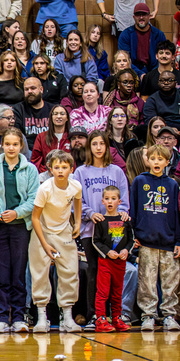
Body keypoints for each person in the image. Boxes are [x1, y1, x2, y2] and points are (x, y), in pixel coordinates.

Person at [0, 129, 38, 333]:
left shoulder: (30, 169)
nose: (11, 148)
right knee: (2, 274)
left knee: (19, 274)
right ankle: (2, 318)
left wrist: (18, 213)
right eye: (7, 143)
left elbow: (33, 200)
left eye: (15, 144)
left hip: (20, 227)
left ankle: (19, 317)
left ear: (21, 146)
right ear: (1, 144)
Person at [73, 130, 130, 331]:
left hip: (113, 233)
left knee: (113, 276)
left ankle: (114, 316)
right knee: (93, 272)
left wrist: (120, 215)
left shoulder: (117, 172)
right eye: (94, 144)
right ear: (89, 147)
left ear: (107, 147)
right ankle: (94, 316)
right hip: (90, 231)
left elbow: (124, 202)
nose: (98, 147)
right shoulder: (81, 172)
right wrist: (89, 213)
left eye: (102, 144)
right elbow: (76, 202)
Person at [130, 144, 180, 332]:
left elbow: (177, 214)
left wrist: (178, 241)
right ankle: (148, 316)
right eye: (153, 158)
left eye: (161, 159)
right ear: (148, 160)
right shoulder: (139, 181)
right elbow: (133, 211)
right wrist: (134, 236)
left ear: (167, 162)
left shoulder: (172, 184)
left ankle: (169, 315)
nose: (156, 162)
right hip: (146, 242)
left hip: (168, 242)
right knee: (147, 281)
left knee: (170, 281)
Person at [28, 148, 82, 332]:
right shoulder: (44, 189)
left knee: (70, 271)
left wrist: (78, 222)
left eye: (64, 167)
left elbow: (77, 200)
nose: (60, 170)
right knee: (40, 273)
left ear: (71, 169)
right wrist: (44, 244)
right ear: (50, 169)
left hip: (64, 232)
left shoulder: (75, 186)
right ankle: (42, 317)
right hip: (42, 231)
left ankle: (67, 316)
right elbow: (35, 217)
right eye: (56, 167)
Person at [91, 185, 134, 332]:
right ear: (102, 201)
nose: (110, 201)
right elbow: (95, 241)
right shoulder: (100, 220)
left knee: (117, 292)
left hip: (120, 263)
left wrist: (126, 250)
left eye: (113, 199)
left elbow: (131, 240)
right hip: (105, 262)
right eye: (107, 199)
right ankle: (100, 319)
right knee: (102, 292)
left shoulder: (125, 219)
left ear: (119, 201)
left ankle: (116, 317)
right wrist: (108, 252)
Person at [118, 3, 165, 76]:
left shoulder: (159, 35)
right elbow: (125, 59)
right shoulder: (125, 35)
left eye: (144, 14)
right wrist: (140, 74)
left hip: (155, 72)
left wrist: (152, 75)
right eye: (138, 15)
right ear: (134, 17)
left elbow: (163, 57)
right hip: (132, 73)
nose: (141, 17)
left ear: (149, 16)